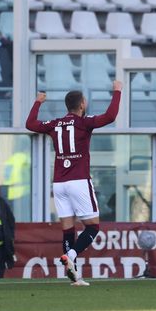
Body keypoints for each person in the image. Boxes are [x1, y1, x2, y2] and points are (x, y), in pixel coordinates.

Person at [26, 80, 123, 286]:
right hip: (78, 181)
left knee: (68, 229)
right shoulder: (84, 122)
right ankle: (70, 254)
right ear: (81, 105)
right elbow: (111, 116)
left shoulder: (55, 124)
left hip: (59, 183)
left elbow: (30, 124)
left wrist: (37, 102)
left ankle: (75, 276)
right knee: (93, 227)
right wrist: (117, 91)